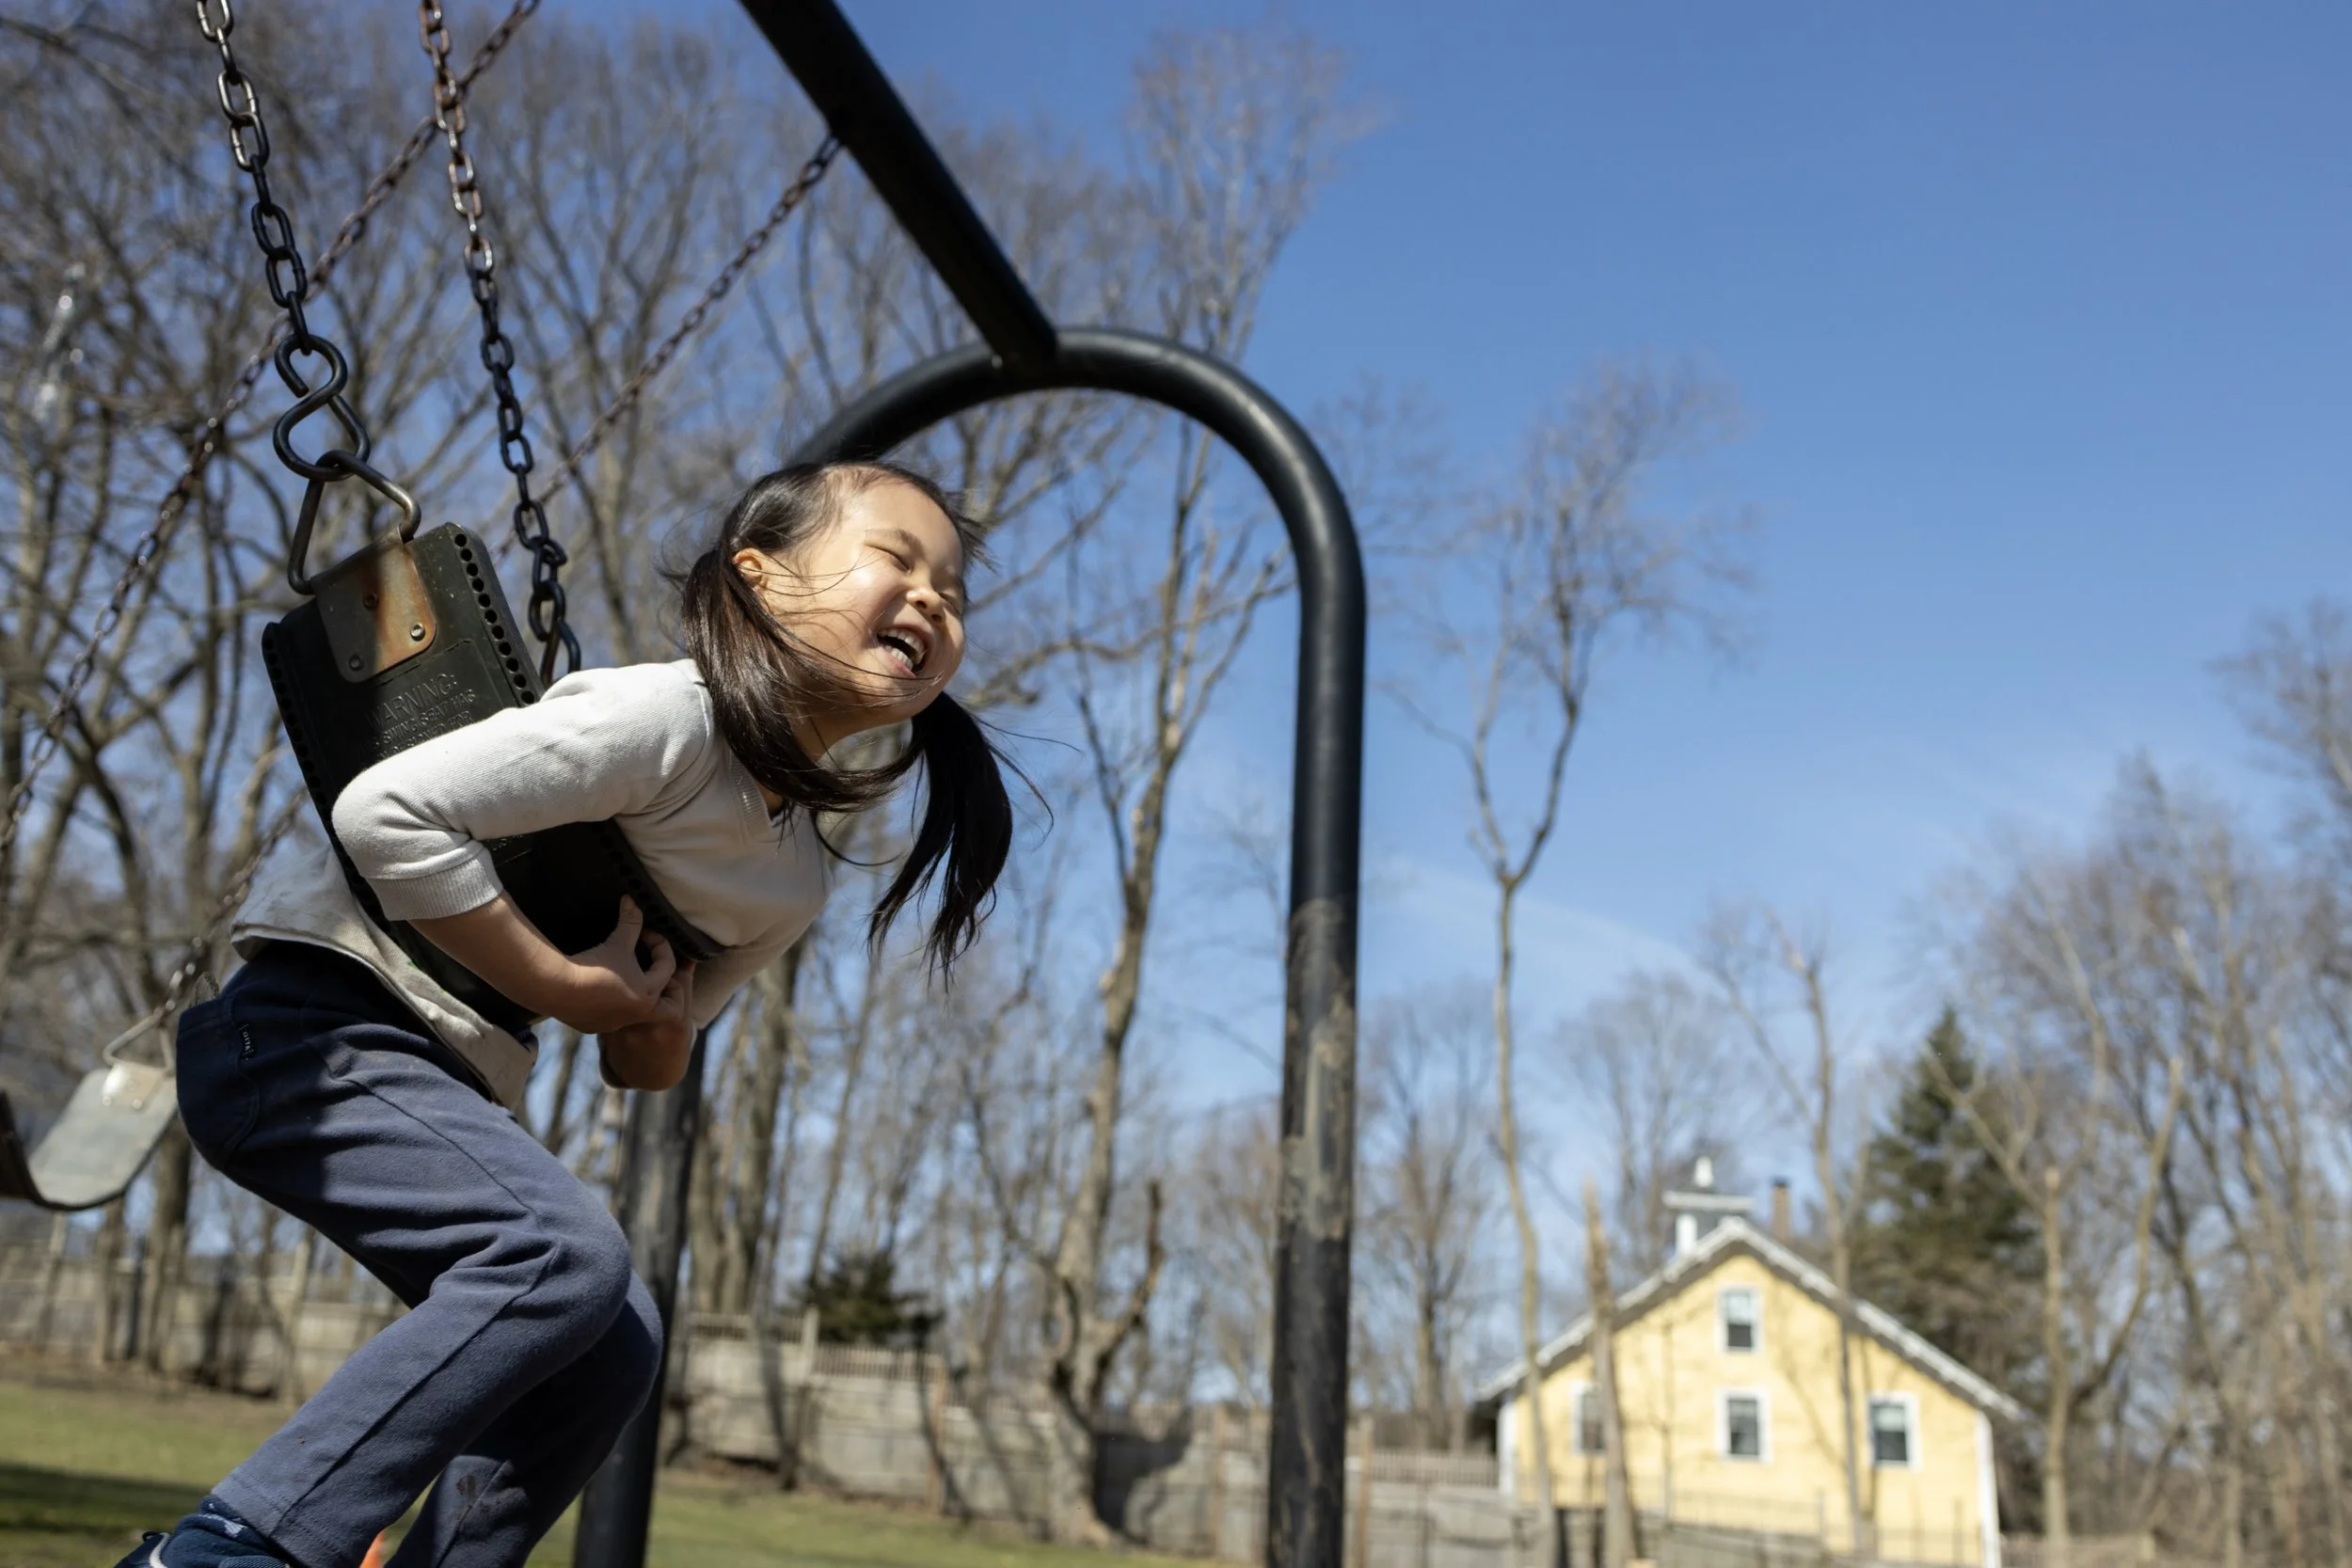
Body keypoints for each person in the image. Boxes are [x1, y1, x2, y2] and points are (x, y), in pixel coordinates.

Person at [120, 461, 1010, 1568]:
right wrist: (567, 987)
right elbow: (383, 814)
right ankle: (230, 1550)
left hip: (424, 1079)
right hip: (304, 1033)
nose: (932, 599)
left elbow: (643, 1061)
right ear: (762, 582)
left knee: (615, 1343)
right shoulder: (663, 717)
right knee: (558, 1253)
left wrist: (650, 1016)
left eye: (956, 593)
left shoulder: (792, 881)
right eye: (897, 559)